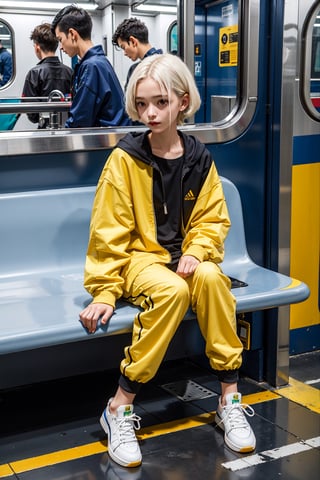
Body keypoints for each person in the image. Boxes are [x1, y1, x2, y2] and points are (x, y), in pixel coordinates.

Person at [79, 53, 256, 468]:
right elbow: (108, 232)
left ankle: (229, 396)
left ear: (182, 101)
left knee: (212, 279)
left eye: (160, 102)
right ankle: (119, 406)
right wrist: (105, 291)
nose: (150, 113)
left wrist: (196, 251)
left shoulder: (199, 158)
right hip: (141, 260)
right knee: (174, 290)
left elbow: (212, 218)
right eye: (142, 104)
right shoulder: (125, 160)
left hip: (188, 259)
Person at [51, 5, 131, 128]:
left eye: (60, 39)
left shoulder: (91, 67)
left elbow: (80, 120)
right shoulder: (97, 62)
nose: (61, 47)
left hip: (107, 140)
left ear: (72, 34)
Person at [22, 23, 73, 128]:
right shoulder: (70, 72)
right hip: (67, 130)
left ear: (37, 47)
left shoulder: (34, 74)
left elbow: (32, 115)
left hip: (45, 130)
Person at [112, 17, 163, 90]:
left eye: (123, 47)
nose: (124, 53)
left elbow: (128, 100)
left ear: (133, 41)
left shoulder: (135, 71)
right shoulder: (167, 64)